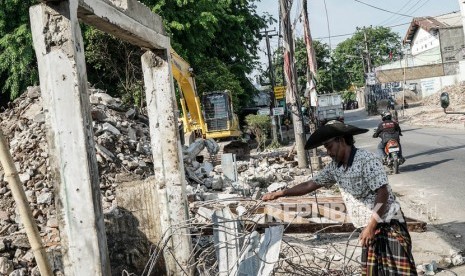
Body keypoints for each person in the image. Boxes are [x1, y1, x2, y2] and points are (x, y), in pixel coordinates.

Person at [262, 120, 417, 275]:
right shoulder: (335, 168)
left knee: (398, 272)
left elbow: (383, 193)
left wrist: (372, 225)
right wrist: (281, 193)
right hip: (368, 227)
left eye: (329, 147)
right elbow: (310, 184)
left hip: (388, 223)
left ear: (341, 140)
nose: (328, 152)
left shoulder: (366, 160)